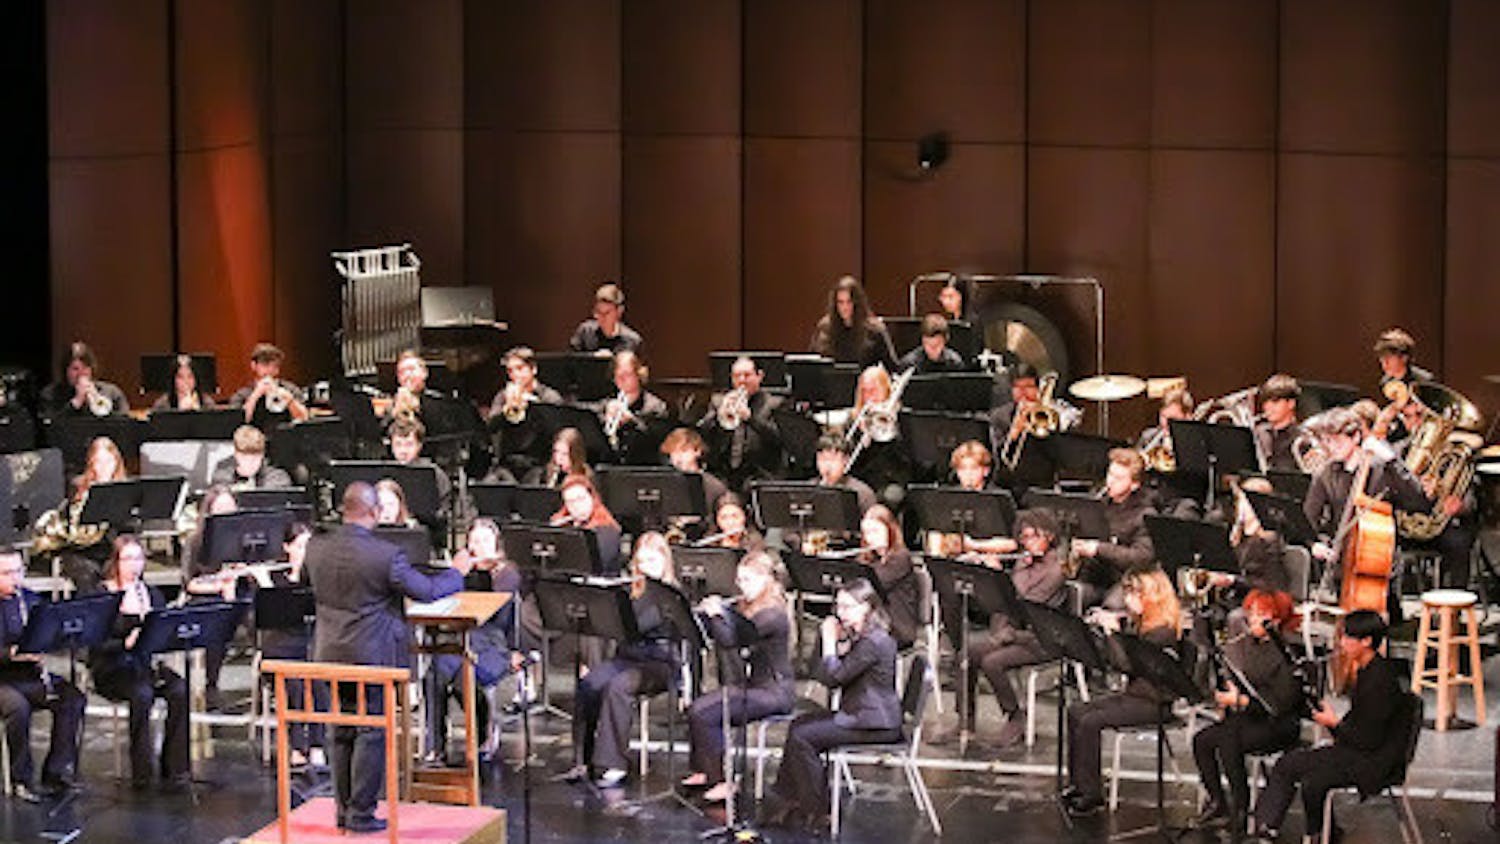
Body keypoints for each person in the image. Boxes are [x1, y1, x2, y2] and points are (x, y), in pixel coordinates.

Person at [305, 482, 470, 834]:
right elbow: (425, 591)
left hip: (328, 653)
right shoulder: (383, 555)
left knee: (339, 729)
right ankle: (361, 814)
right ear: (375, 512)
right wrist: (457, 572)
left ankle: (343, 810)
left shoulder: (316, 547)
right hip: (369, 656)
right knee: (369, 732)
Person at [1250, 610, 1408, 841]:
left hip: (1372, 760)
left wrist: (1334, 724)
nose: (1341, 642)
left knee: (1305, 775)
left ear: (1366, 641)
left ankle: (1306, 832)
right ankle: (1288, 829)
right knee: (1293, 765)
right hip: (1360, 750)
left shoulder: (1379, 680)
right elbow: (1360, 728)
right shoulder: (1369, 670)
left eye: (1347, 637)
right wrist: (1331, 722)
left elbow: (1368, 738)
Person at [766, 578, 901, 832]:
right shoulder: (861, 636)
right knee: (799, 725)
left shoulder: (873, 641)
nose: (841, 613)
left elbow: (833, 679)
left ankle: (817, 809)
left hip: (875, 722)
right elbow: (819, 672)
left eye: (848, 607)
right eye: (838, 606)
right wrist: (834, 645)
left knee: (804, 738)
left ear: (866, 607)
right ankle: (790, 798)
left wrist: (829, 642)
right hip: (861, 714)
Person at [1064, 567, 1184, 817]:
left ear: (1151, 596)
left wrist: (1112, 632)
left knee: (1090, 721)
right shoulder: (1140, 623)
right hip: (1135, 695)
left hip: (1154, 702)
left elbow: (1126, 666)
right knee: (1076, 710)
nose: (1127, 600)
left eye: (1133, 594)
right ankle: (1077, 783)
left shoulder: (1161, 632)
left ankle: (1091, 794)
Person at [564, 532, 681, 787]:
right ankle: (583, 758)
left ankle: (613, 763)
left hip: (660, 662)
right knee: (590, 683)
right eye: (641, 562)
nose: (645, 568)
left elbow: (642, 624)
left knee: (619, 686)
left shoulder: (671, 594)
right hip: (628, 657)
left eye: (652, 561)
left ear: (664, 562)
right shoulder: (630, 590)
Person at [947, 509, 1068, 749]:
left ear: (1050, 536)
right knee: (965, 655)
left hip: (1041, 639)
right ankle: (965, 722)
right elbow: (1005, 603)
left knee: (992, 662)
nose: (1029, 543)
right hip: (1013, 633)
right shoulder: (1025, 562)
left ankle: (1014, 715)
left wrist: (998, 577)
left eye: (1035, 536)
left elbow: (1024, 603)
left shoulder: (1057, 569)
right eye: (1025, 538)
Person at [682, 550, 794, 802]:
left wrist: (718, 614)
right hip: (754, 686)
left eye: (748, 580)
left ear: (766, 580)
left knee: (704, 713)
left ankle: (723, 779)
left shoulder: (773, 613)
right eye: (740, 580)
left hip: (773, 691)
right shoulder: (750, 606)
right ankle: (704, 769)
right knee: (698, 708)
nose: (741, 586)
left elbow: (732, 640)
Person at [1192, 589, 1303, 831]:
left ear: (1275, 620)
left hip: (1277, 724)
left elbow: (1280, 704)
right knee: (1202, 740)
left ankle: (1240, 809)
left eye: (1259, 615)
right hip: (1250, 717)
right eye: (1250, 613)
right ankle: (1217, 800)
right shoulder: (1249, 644)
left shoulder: (1286, 655)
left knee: (1228, 740)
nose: (1251, 620)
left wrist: (1241, 701)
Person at [88, 535, 191, 792]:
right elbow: (93, 644)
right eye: (128, 559)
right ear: (116, 562)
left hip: (144, 665)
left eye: (138, 558)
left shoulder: (151, 594)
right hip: (112, 667)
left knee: (179, 689)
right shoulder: (102, 596)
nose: (134, 565)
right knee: (142, 694)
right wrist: (125, 643)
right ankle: (141, 772)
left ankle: (175, 768)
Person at [425, 519, 521, 762]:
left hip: (493, 644)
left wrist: (488, 569)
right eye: (475, 541)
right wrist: (456, 573)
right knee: (434, 674)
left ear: (497, 544)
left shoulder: (507, 573)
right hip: (460, 638)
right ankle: (435, 745)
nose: (480, 546)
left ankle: (482, 731)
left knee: (464, 677)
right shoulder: (458, 571)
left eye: (486, 541)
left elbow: (500, 613)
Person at [0, 548, 85, 801]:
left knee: (72, 698)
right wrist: (12, 653)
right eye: (6, 573)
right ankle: (21, 778)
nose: (14, 578)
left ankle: (56, 772)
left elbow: (53, 629)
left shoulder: (31, 600)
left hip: (29, 675)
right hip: (3, 679)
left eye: (18, 571)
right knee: (18, 708)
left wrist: (51, 640)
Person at [257, 522, 326, 768]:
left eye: (309, 545)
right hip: (280, 649)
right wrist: (264, 584)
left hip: (309, 647)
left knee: (319, 681)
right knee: (293, 684)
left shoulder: (318, 578)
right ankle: (297, 745)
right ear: (287, 548)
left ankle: (318, 744)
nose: (305, 551)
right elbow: (269, 621)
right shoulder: (275, 579)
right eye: (299, 545)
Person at [180, 485, 243, 709]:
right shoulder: (196, 541)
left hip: (238, 591)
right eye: (221, 509)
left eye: (230, 508)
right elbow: (190, 583)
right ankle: (211, 684)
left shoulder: (243, 538)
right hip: (208, 595)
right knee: (219, 619)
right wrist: (219, 585)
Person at [1070, 449, 1158, 607]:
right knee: (1067, 594)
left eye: (1118, 478)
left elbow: (1141, 558)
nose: (1110, 482)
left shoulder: (1145, 514)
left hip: (1124, 579)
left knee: (1111, 607)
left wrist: (1099, 549)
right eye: (1110, 474)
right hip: (1096, 573)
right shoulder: (1099, 501)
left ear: (1134, 484)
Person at [698, 356, 784, 491]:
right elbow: (703, 433)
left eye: (747, 375)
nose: (742, 380)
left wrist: (751, 418)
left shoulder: (774, 404)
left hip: (760, 474)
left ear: (759, 376)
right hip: (724, 473)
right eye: (737, 376)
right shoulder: (718, 401)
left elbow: (779, 438)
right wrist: (718, 415)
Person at [489, 346, 564, 480]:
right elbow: (491, 426)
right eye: (510, 371)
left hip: (537, 464)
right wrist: (506, 409)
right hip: (507, 465)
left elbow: (556, 432)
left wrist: (533, 405)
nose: (514, 375)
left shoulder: (549, 397)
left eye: (519, 368)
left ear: (533, 369)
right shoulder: (503, 395)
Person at [858, 505, 919, 649]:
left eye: (875, 531)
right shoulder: (870, 559)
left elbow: (870, 586)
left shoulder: (901, 558)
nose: (870, 538)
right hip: (873, 623)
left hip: (897, 627)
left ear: (890, 530)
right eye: (866, 533)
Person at [808, 276, 897, 371]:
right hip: (831, 383)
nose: (845, 307)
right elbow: (813, 362)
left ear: (857, 303)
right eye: (840, 302)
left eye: (849, 302)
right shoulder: (825, 328)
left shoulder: (874, 330)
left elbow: (891, 368)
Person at [598, 350, 669, 464]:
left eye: (627, 374)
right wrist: (604, 416)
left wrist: (632, 421)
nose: (622, 380)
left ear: (639, 375)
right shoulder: (607, 403)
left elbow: (657, 439)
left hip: (642, 468)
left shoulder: (655, 407)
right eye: (618, 376)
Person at [551, 474, 622, 575]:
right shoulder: (565, 525)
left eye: (581, 499)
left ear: (592, 498)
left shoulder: (607, 530)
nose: (576, 506)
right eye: (570, 502)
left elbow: (597, 564)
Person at [39, 341, 128, 420]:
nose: (81, 374)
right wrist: (76, 403)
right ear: (66, 371)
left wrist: (97, 403)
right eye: (75, 369)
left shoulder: (111, 392)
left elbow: (124, 422)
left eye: (85, 368)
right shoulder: (50, 394)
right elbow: (49, 426)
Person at [229, 343, 309, 427]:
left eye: (275, 366)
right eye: (265, 365)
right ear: (253, 365)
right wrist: (256, 394)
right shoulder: (242, 394)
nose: (270, 370)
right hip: (254, 437)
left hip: (284, 435)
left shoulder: (290, 389)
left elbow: (304, 418)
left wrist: (290, 401)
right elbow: (238, 422)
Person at [660, 427, 728, 518]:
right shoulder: (663, 483)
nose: (678, 458)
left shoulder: (714, 486)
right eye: (674, 452)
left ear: (697, 451)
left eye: (684, 451)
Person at [569, 282, 643, 356]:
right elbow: (571, 361)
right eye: (598, 312)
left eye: (607, 313)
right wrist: (594, 357)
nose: (602, 318)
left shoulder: (632, 340)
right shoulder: (585, 331)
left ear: (619, 311)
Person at [211, 425, 292, 490]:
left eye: (255, 458)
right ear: (236, 454)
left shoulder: (278, 477)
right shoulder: (223, 471)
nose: (249, 464)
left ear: (262, 455)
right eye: (244, 457)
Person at [1253, 374, 1305, 473]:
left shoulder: (1301, 438)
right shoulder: (1259, 432)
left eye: (1275, 402)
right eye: (1265, 402)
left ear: (1291, 403)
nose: (1268, 407)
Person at [896, 314, 966, 374]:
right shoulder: (909, 364)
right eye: (928, 344)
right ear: (922, 341)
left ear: (945, 341)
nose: (932, 349)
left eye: (937, 345)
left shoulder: (955, 363)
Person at [526, 427, 592, 488]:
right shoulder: (544, 474)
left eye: (564, 454)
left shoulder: (586, 477)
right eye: (556, 451)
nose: (558, 458)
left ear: (575, 454)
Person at [149, 354, 216, 411]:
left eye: (190, 376)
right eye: (180, 377)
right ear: (174, 380)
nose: (186, 381)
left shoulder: (207, 402)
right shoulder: (162, 403)